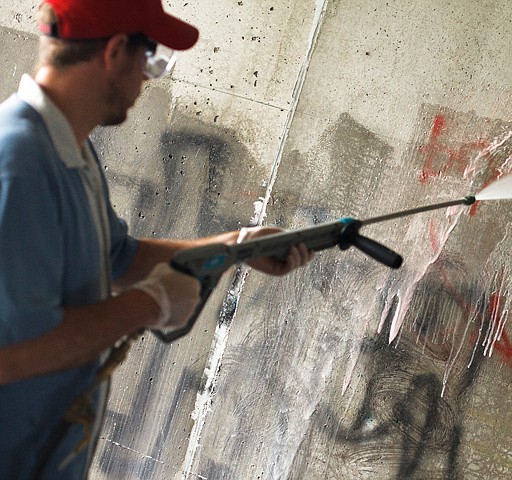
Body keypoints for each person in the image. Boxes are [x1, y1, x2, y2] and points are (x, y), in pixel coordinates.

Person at [0, 0, 313, 478]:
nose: (148, 78)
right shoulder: (19, 163)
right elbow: (15, 353)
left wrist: (237, 247)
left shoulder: (70, 153)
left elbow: (119, 257)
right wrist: (151, 305)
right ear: (116, 50)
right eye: (152, 59)